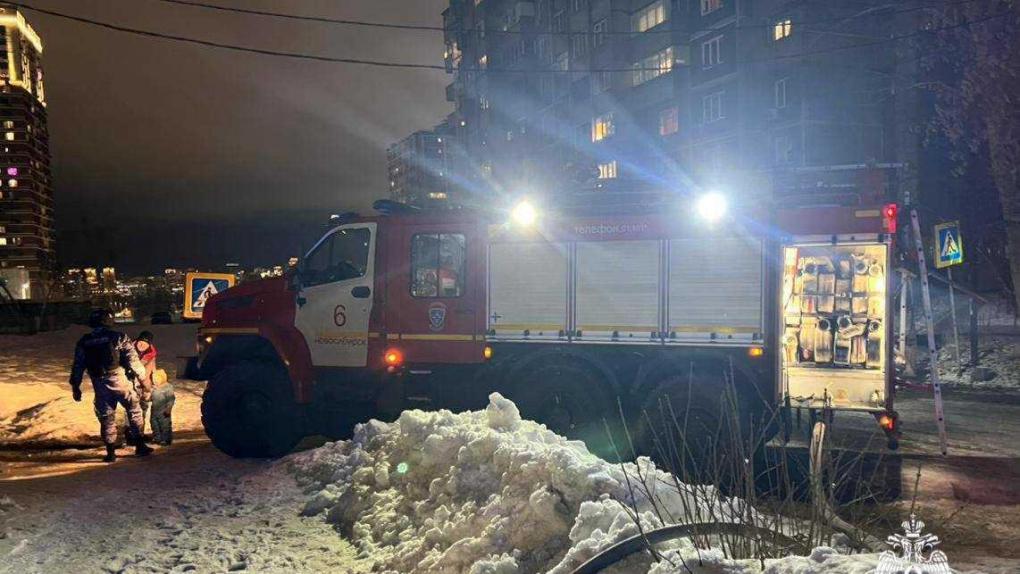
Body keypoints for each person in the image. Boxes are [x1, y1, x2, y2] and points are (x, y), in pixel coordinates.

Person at [70, 308, 153, 462]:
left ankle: (110, 453)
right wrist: (143, 380)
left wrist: (75, 386)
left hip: (99, 383)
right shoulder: (118, 337)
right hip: (120, 379)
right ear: (108, 321)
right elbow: (133, 361)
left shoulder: (84, 341)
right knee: (134, 410)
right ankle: (140, 446)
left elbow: (78, 365)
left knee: (106, 416)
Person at [127, 330, 157, 443]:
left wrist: (147, 385)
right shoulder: (128, 346)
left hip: (141, 379)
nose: (141, 345)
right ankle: (129, 434)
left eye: (145, 344)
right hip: (126, 379)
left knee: (142, 406)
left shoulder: (151, 352)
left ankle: (140, 433)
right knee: (131, 407)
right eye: (140, 342)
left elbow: (147, 367)